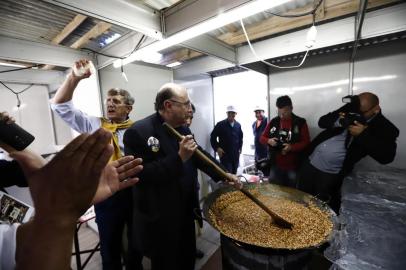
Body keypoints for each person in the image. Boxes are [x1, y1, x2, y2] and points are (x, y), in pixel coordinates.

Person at [123, 83, 240, 270]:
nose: (189, 108)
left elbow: (199, 155)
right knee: (166, 263)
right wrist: (179, 158)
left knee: (187, 259)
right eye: (185, 104)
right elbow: (143, 174)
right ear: (169, 105)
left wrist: (223, 174)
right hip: (161, 219)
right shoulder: (138, 132)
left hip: (186, 211)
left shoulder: (183, 129)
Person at [0, 122, 143, 270]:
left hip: (127, 196)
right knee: (110, 249)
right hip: (107, 208)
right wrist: (62, 213)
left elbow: (19, 243)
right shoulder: (96, 122)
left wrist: (63, 213)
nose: (111, 104)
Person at [50, 59, 142, 270]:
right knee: (109, 246)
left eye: (116, 101)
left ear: (128, 108)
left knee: (136, 244)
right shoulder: (94, 124)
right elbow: (60, 106)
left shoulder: (138, 129)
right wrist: (74, 77)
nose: (110, 103)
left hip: (135, 192)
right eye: (108, 100)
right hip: (106, 194)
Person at [298, 92, 399, 212]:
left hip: (330, 173)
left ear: (376, 109)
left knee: (320, 205)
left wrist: (363, 135)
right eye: (356, 109)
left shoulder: (385, 127)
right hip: (311, 162)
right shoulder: (351, 107)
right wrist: (338, 121)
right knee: (302, 196)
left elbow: (386, 157)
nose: (356, 113)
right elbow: (322, 122)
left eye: (362, 112)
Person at [260, 96, 310, 187]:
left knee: (291, 194)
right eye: (280, 111)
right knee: (274, 192)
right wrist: (269, 141)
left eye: (285, 111)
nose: (282, 114)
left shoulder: (300, 123)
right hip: (276, 166)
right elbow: (262, 138)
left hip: (293, 167)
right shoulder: (274, 121)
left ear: (291, 108)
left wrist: (291, 147)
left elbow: (306, 142)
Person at [210, 105, 243, 174]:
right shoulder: (220, 124)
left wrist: (240, 149)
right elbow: (212, 137)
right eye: (229, 113)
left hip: (235, 156)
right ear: (227, 113)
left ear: (235, 114)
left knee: (234, 175)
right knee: (228, 175)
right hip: (225, 156)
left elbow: (240, 138)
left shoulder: (238, 125)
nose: (231, 114)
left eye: (233, 113)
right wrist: (217, 148)